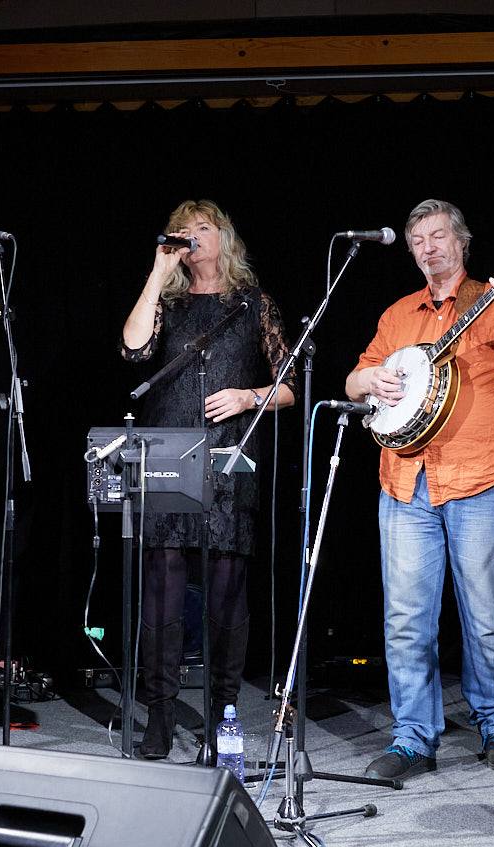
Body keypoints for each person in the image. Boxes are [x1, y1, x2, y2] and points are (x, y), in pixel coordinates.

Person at [345, 199, 494, 780]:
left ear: (462, 242)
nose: (428, 248)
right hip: (405, 482)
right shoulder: (398, 315)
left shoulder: (493, 302)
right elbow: (354, 379)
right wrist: (370, 378)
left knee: (487, 615)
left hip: (481, 479)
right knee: (406, 620)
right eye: (418, 240)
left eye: (438, 236)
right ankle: (413, 738)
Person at [121, 199, 296, 760]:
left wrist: (248, 397)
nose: (193, 236)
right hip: (169, 453)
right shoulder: (167, 303)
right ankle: (160, 712)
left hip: (228, 454)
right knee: (162, 590)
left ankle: (224, 714)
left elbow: (290, 386)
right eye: (183, 229)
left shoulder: (253, 303)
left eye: (203, 227)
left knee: (226, 591)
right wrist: (157, 274)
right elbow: (133, 349)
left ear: (224, 237)